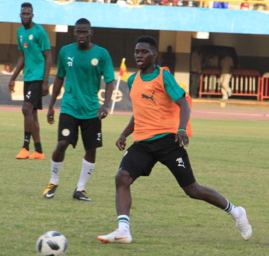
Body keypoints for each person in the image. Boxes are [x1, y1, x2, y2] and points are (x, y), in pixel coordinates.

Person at [97, 36, 252, 244]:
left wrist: (181, 129)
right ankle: (123, 229)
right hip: (143, 142)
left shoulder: (163, 76)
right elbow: (140, 112)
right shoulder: (133, 80)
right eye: (137, 52)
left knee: (192, 189)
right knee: (122, 178)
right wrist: (125, 134)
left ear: (154, 55)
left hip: (168, 141)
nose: (139, 55)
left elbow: (183, 103)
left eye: (144, 52)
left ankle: (236, 211)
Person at [44, 19, 114, 202]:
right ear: (74, 33)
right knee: (62, 143)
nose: (81, 35)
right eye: (78, 32)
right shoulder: (66, 51)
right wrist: (51, 105)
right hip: (69, 107)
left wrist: (105, 104)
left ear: (91, 32)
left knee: (91, 149)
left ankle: (80, 189)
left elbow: (109, 81)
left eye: (84, 32)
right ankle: (53, 181)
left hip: (92, 110)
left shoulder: (102, 54)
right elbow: (59, 78)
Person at [9, 2, 51, 160]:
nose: (25, 16)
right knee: (32, 113)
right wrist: (13, 77)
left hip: (38, 77)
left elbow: (49, 57)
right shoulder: (19, 32)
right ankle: (39, 151)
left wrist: (45, 82)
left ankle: (25, 147)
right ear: (20, 15)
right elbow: (22, 57)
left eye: (28, 14)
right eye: (23, 13)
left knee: (26, 109)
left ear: (32, 15)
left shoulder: (40, 32)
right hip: (28, 77)